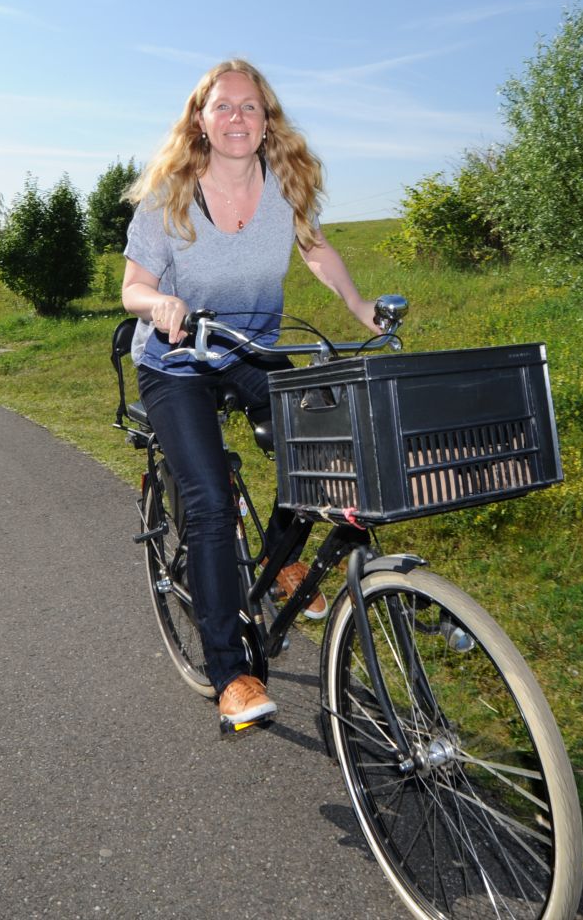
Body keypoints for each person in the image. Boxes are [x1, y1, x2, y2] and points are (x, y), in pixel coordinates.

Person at [121, 59, 381, 730]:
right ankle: (230, 672)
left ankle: (281, 561)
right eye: (224, 107)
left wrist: (358, 305)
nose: (238, 118)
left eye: (251, 107)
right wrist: (159, 303)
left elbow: (316, 250)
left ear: (267, 122)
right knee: (207, 501)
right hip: (176, 362)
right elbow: (131, 288)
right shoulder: (170, 196)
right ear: (200, 120)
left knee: (325, 445)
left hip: (251, 351)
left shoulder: (282, 185)